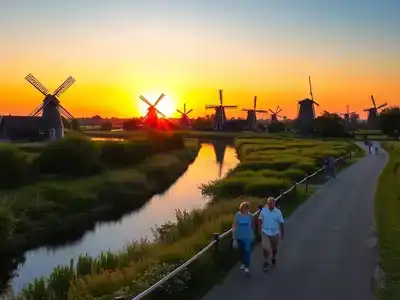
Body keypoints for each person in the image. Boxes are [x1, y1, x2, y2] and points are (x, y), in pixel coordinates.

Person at [258, 197, 284, 271]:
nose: (270, 205)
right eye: (269, 203)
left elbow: (281, 223)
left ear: (274, 204)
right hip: (265, 232)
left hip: (275, 233)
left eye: (272, 203)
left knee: (274, 248)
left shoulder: (278, 212)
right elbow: (259, 220)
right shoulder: (264, 210)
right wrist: (259, 231)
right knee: (265, 247)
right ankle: (266, 261)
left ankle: (273, 258)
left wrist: (282, 234)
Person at [233, 201, 254, 275]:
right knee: (241, 251)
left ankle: (247, 267)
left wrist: (253, 235)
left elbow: (251, 226)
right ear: (241, 209)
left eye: (247, 208)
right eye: (244, 208)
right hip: (239, 236)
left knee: (247, 252)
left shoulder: (250, 216)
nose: (246, 210)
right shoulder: (237, 215)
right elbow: (234, 226)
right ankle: (243, 263)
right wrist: (234, 237)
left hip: (248, 236)